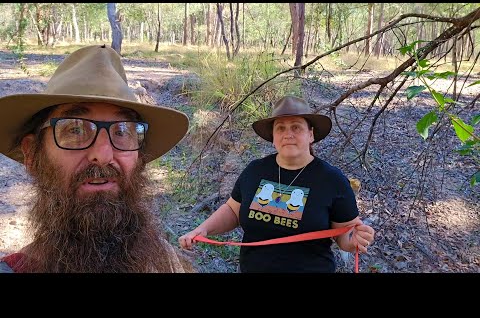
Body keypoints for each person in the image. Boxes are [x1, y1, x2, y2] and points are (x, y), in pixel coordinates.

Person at [0, 44, 193, 273]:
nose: (103, 155)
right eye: (75, 130)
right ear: (32, 154)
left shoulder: (164, 261)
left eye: (122, 131)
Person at [179, 95, 375, 273]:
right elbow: (233, 210)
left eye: (296, 127)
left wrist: (354, 241)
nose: (288, 134)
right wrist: (202, 229)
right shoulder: (255, 171)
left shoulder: (332, 180)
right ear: (273, 137)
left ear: (311, 135)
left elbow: (346, 232)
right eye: (280, 128)